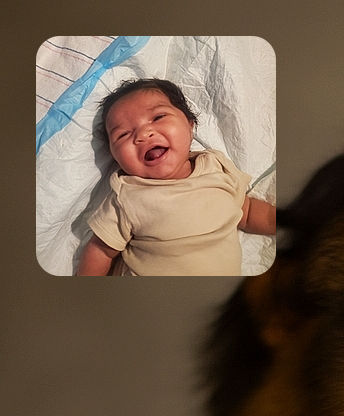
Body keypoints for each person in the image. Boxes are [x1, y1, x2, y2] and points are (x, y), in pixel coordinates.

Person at [76, 78, 275, 276]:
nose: (144, 134)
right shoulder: (126, 196)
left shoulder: (216, 167)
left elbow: (246, 212)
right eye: (123, 134)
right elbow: (101, 251)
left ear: (190, 125)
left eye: (158, 117)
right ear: (115, 157)